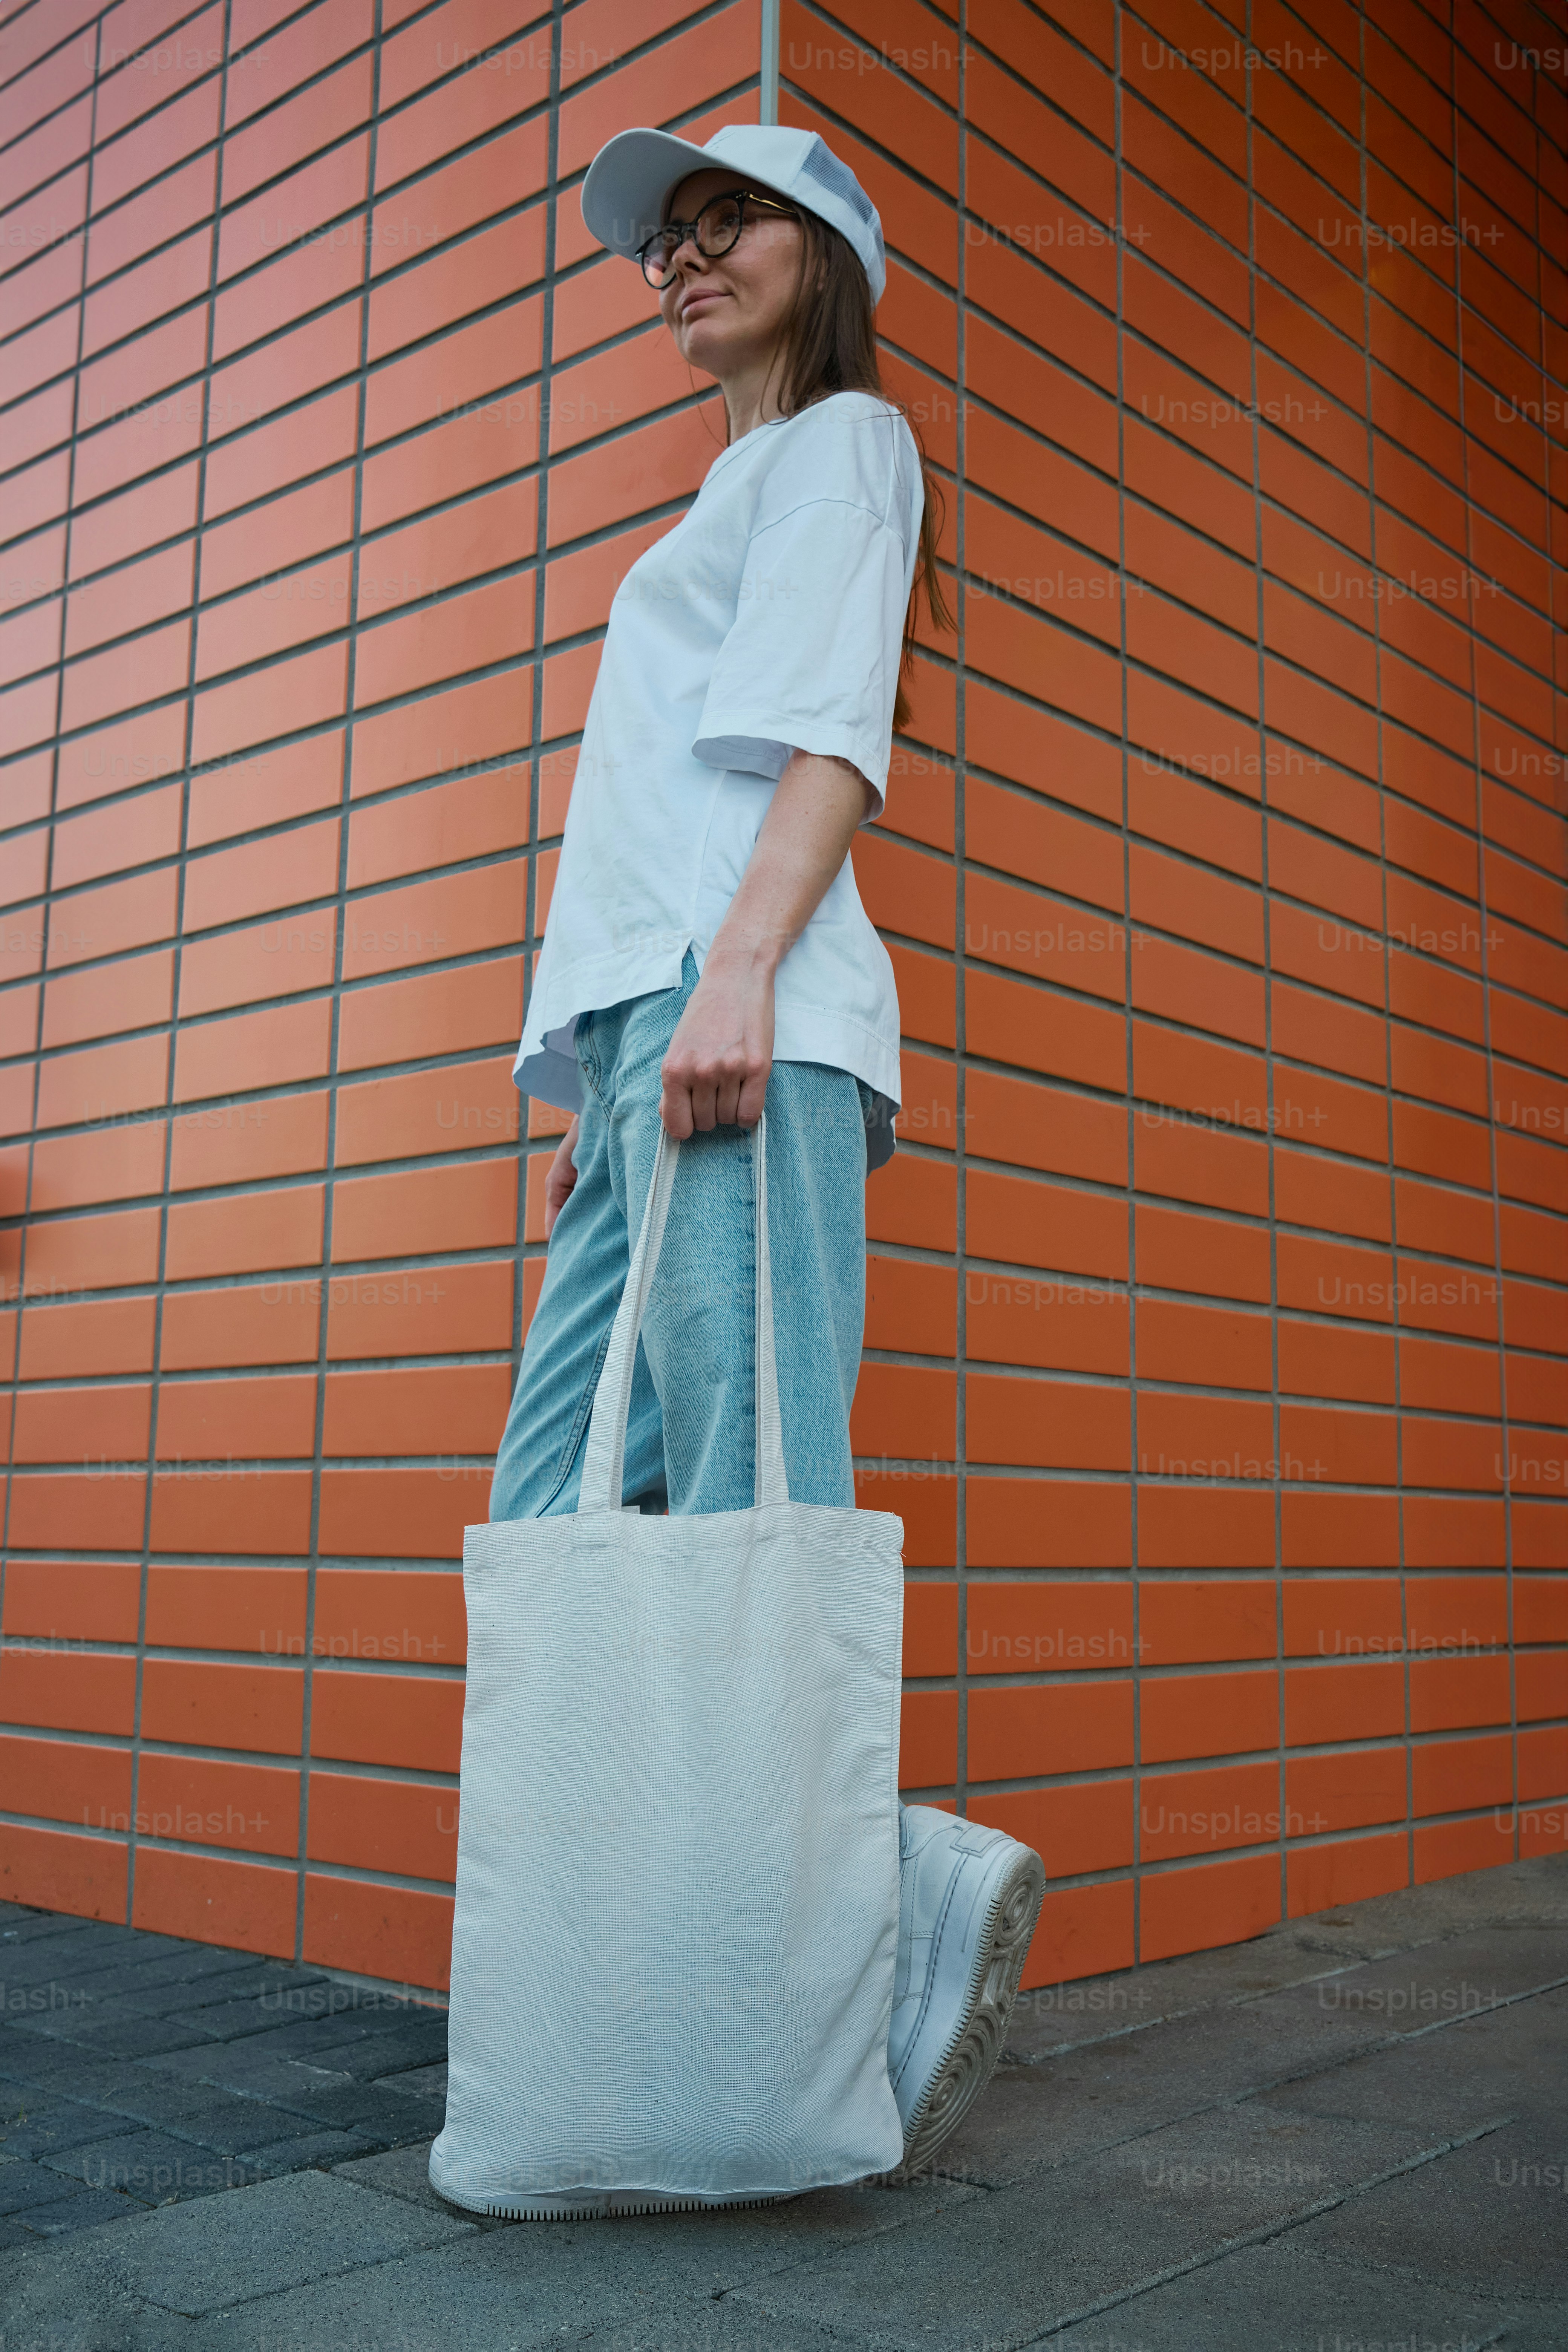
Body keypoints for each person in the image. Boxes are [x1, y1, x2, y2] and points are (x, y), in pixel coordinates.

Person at [487, 122, 1044, 2190]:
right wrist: (608, 1084)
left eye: (731, 225)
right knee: (559, 1519)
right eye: (670, 240)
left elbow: (831, 738)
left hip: (749, 1025)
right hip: (652, 1053)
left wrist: (729, 980)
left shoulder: (844, 454)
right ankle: (770, 1943)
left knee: (742, 1518)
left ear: (835, 259)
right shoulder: (728, 482)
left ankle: (841, 1961)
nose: (685, 258)